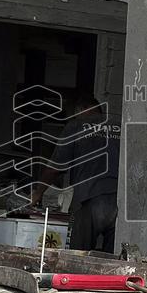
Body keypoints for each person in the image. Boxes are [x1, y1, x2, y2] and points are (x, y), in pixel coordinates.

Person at [31, 91, 121, 252]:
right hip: (121, 203)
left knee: (78, 256)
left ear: (80, 110)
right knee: (112, 262)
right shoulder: (121, 125)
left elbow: (55, 167)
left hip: (90, 200)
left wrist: (37, 193)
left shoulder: (76, 125)